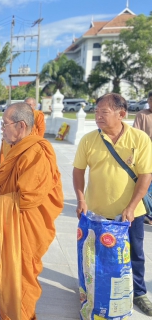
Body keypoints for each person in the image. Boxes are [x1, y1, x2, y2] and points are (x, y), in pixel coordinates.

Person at [0, 102, 63, 320]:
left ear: (21, 126)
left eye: (5, 124)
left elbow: (28, 197)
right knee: (6, 281)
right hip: (13, 224)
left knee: (19, 282)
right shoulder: (18, 148)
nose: (2, 129)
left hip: (25, 229)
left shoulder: (37, 152)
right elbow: (11, 182)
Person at [73, 93, 152, 316]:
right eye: (96, 111)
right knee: (93, 254)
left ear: (122, 114)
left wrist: (130, 206)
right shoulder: (89, 140)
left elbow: (146, 175)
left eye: (103, 112)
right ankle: (90, 289)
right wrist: (81, 199)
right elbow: (78, 171)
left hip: (131, 213)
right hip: (96, 213)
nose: (97, 116)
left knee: (133, 254)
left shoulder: (139, 139)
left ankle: (138, 292)